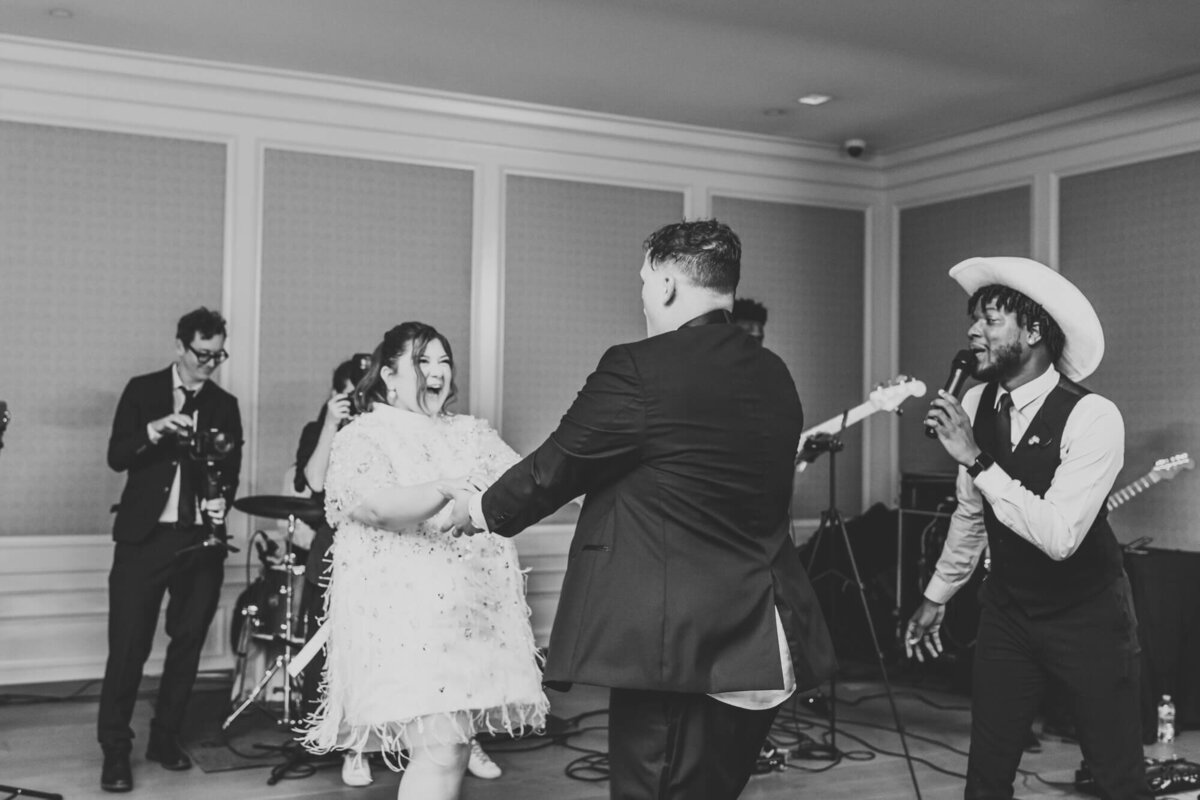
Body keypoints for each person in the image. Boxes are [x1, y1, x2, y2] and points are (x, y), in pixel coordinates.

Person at [448, 219, 837, 800]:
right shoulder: (774, 373)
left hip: (676, 646)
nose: (643, 297)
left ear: (669, 284)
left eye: (644, 281)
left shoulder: (640, 367)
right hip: (764, 639)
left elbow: (556, 467)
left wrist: (474, 511)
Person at [908, 257, 1150, 800]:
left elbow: (1061, 535)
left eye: (991, 320)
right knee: (986, 777)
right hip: (1008, 613)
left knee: (1117, 778)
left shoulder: (1094, 417)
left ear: (1034, 331)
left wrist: (977, 459)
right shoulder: (976, 400)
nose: (973, 332)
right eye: (974, 320)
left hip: (1087, 616)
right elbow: (972, 513)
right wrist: (938, 594)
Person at [300, 322, 548, 800]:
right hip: (407, 626)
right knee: (440, 751)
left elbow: (528, 480)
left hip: (469, 622)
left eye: (443, 361)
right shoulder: (365, 434)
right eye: (423, 362)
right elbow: (371, 506)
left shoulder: (469, 432)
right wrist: (440, 488)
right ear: (389, 375)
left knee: (449, 753)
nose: (437, 372)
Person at [98, 307, 243, 793]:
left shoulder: (226, 404)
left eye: (217, 355)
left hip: (200, 541)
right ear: (180, 347)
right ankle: (116, 751)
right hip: (144, 539)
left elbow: (231, 471)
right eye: (202, 354)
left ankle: (166, 738)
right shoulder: (142, 391)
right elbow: (117, 456)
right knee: (128, 649)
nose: (209, 363)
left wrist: (222, 499)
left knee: (187, 645)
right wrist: (155, 429)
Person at [293, 353, 373, 786]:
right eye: (348, 394)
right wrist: (329, 424)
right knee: (327, 654)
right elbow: (314, 482)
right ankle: (343, 741)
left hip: (380, 553)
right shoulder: (322, 430)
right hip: (332, 551)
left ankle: (373, 736)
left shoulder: (385, 431)